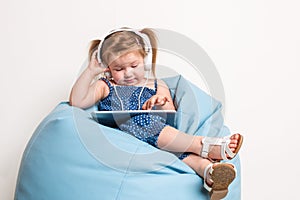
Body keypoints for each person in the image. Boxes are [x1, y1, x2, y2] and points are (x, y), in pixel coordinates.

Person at [69, 27, 243, 200]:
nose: (128, 73)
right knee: (139, 121)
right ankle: (203, 146)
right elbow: (77, 102)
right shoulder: (106, 85)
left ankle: (210, 173)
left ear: (144, 60)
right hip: (126, 136)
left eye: (134, 65)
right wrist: (91, 70)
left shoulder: (156, 85)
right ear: (108, 68)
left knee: (180, 155)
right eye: (119, 68)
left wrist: (159, 103)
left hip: (160, 138)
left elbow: (170, 114)